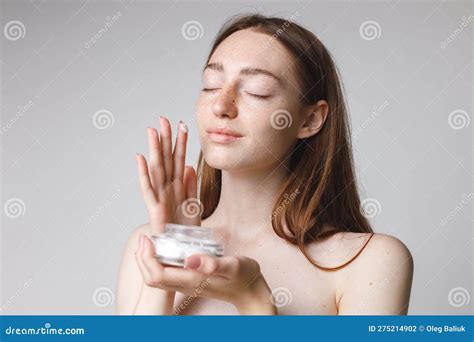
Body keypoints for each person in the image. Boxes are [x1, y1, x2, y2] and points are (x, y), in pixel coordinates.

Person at [116, 13, 414, 315]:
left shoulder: (371, 261)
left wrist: (253, 297)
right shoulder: (147, 243)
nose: (221, 105)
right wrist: (171, 256)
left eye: (257, 90)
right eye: (211, 85)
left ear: (310, 119)